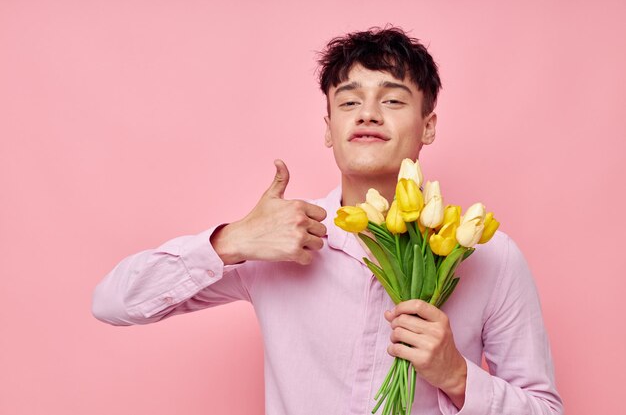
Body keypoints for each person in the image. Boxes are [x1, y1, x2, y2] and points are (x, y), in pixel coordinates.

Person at [92, 26, 564, 415]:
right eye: (349, 101)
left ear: (429, 126)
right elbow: (113, 303)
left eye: (394, 101)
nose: (369, 114)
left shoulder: (487, 254)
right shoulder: (279, 242)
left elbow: (544, 409)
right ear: (328, 129)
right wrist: (230, 241)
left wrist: (458, 378)